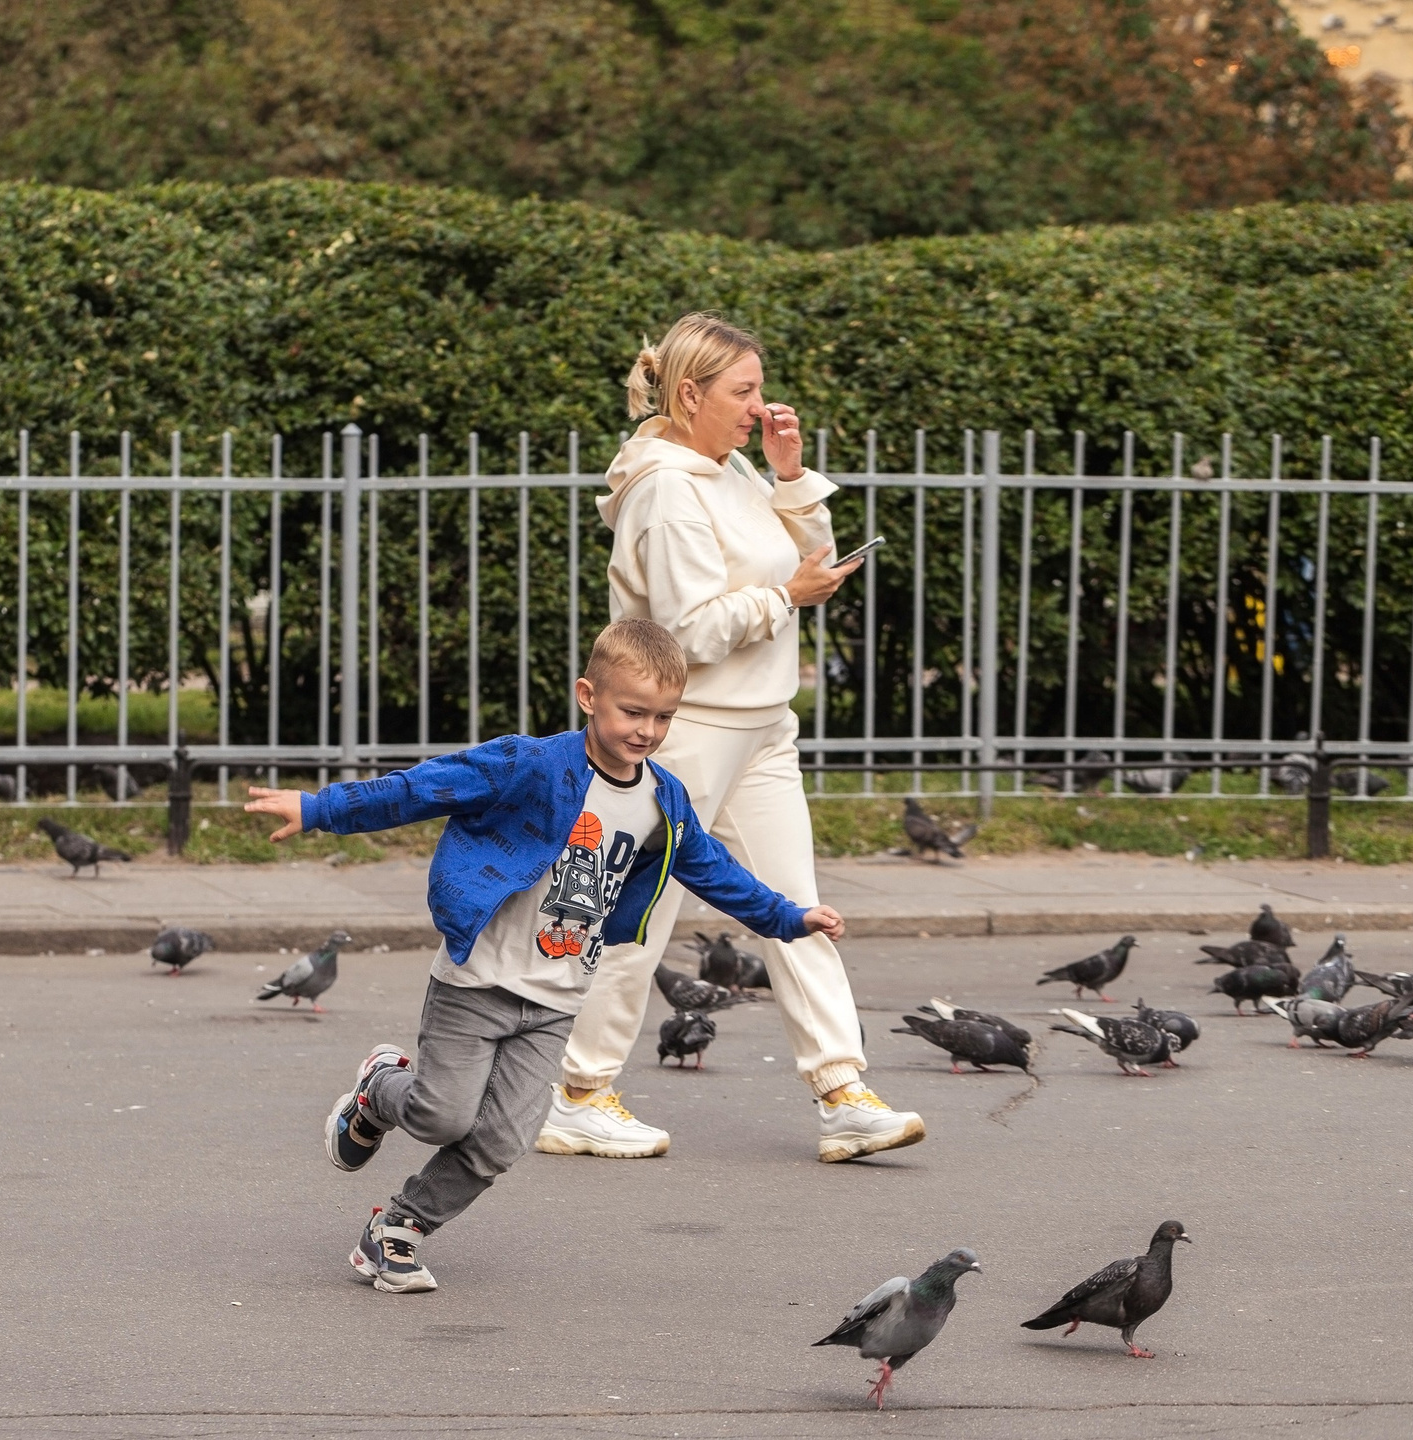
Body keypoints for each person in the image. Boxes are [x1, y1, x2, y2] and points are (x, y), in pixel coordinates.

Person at [245, 617, 845, 1293]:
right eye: (632, 711)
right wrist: (323, 807)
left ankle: (398, 1231)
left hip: (557, 998)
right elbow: (426, 786)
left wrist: (787, 917)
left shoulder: (663, 800)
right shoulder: (531, 766)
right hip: (478, 981)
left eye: (664, 717)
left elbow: (712, 869)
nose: (646, 731)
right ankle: (378, 1091)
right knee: (442, 1115)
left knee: (502, 1141)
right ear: (589, 696)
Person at [536, 311, 920, 1167]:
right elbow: (682, 632)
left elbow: (808, 566)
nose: (759, 406)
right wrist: (786, 597)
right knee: (643, 911)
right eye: (743, 391)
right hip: (688, 732)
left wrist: (790, 476)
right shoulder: (668, 488)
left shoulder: (732, 466)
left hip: (761, 724)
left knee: (796, 904)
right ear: (689, 393)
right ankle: (578, 1092)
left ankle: (842, 1092)